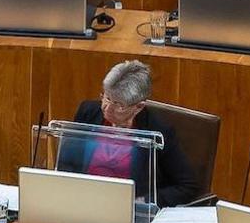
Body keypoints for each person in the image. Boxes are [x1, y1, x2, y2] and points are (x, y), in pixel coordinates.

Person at [58, 61, 201, 207]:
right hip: (83, 201)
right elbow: (66, 164)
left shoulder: (158, 131)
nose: (107, 108)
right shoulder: (88, 112)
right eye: (106, 97)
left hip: (128, 209)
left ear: (139, 107)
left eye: (118, 104)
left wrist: (144, 202)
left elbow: (187, 186)